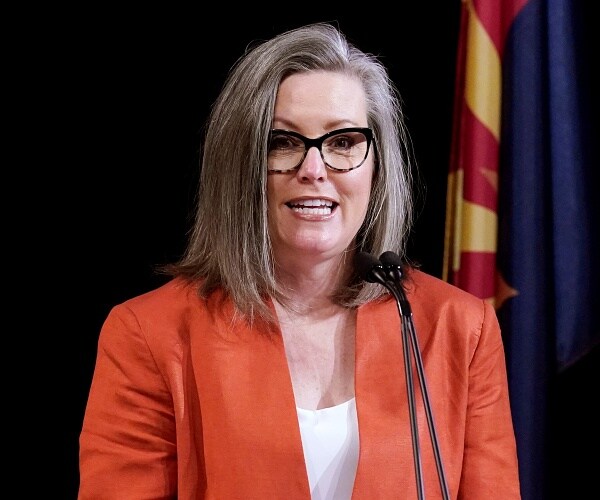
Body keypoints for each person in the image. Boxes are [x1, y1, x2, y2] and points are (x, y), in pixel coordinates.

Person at [78, 22, 521, 499]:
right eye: (282, 142)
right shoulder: (149, 334)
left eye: (343, 142)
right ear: (241, 166)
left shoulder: (458, 327)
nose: (314, 170)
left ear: (377, 167)